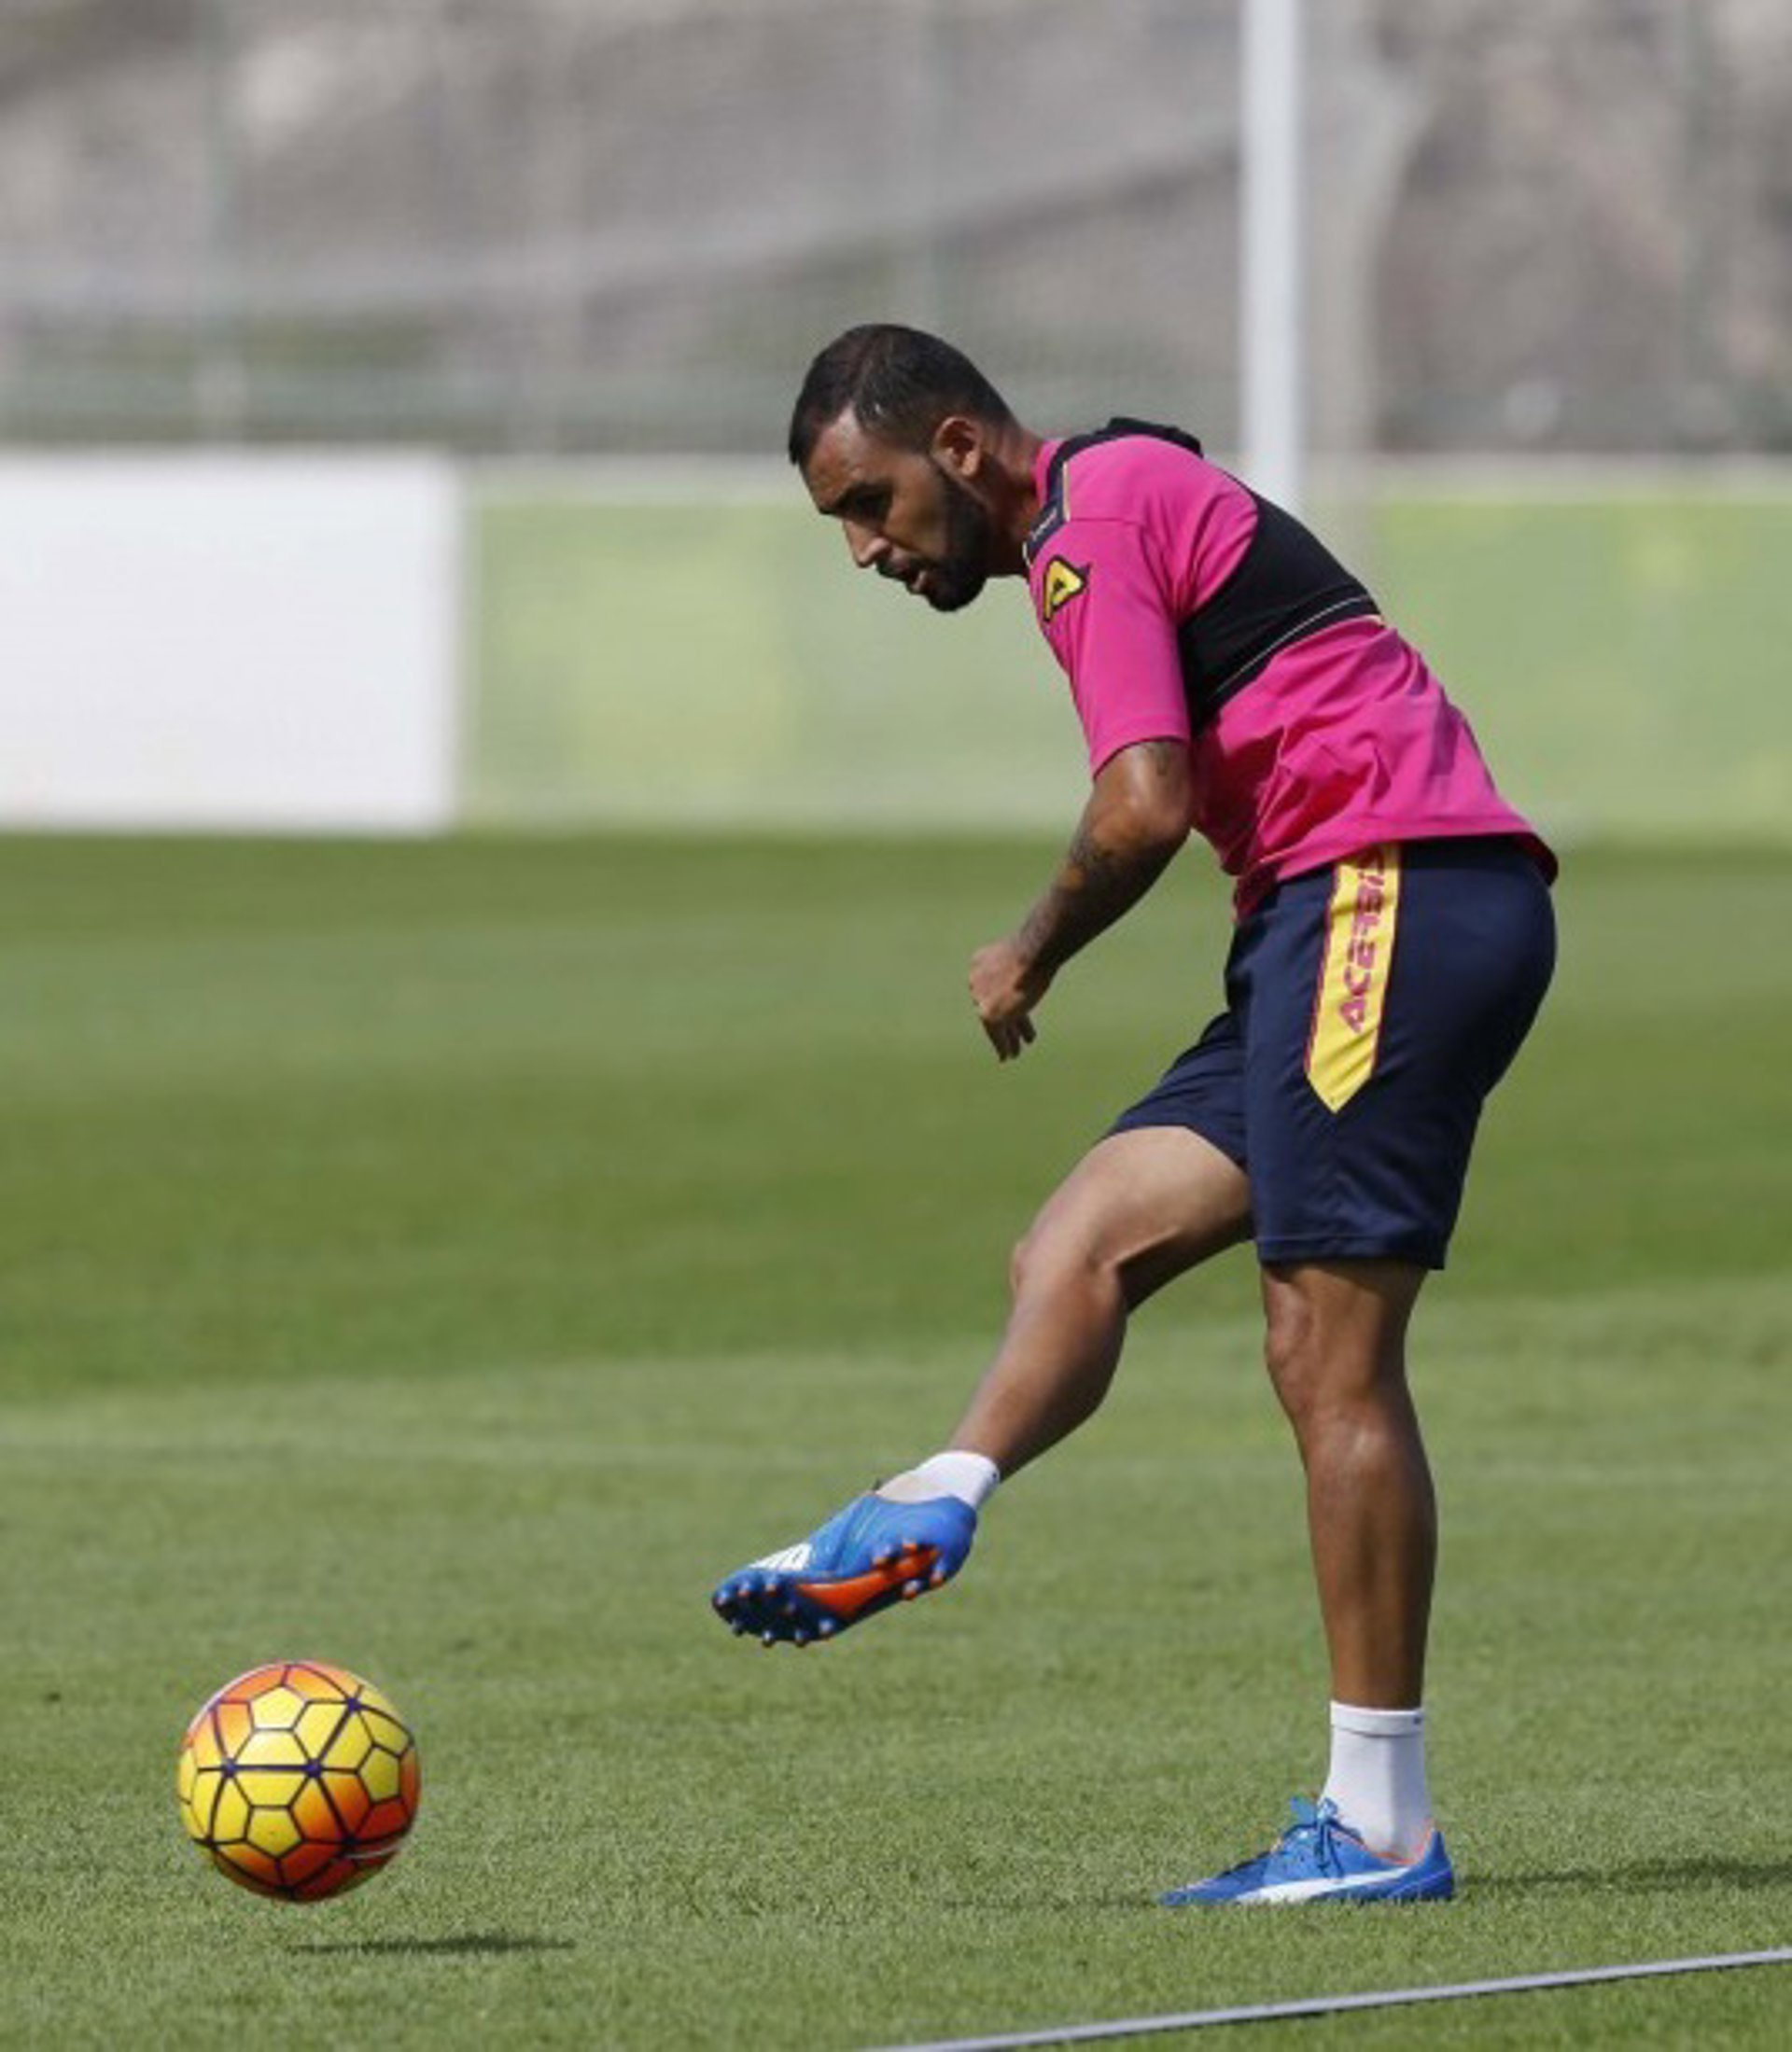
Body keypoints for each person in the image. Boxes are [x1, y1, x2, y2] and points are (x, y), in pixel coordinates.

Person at [710, 324, 1557, 1906]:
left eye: (871, 504)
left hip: (1389, 886)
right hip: (1325, 912)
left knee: (1325, 1352)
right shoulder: (1105, 502)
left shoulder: (1088, 524)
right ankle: (935, 1492)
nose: (866, 550)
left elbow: (1145, 800)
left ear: (961, 448)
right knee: (1078, 1242)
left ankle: (1381, 1827)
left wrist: (1029, 949)